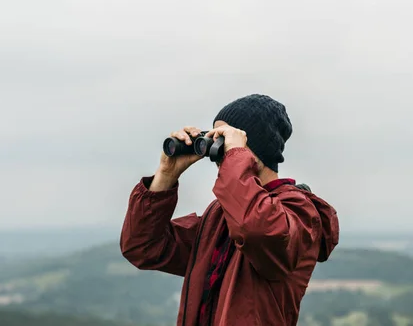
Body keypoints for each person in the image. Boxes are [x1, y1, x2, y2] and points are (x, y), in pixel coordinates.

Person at [120, 93, 339, 326]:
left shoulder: (299, 212)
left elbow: (258, 229)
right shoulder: (221, 218)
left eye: (225, 140)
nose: (219, 150)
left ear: (254, 147)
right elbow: (143, 246)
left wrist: (236, 155)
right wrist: (166, 174)